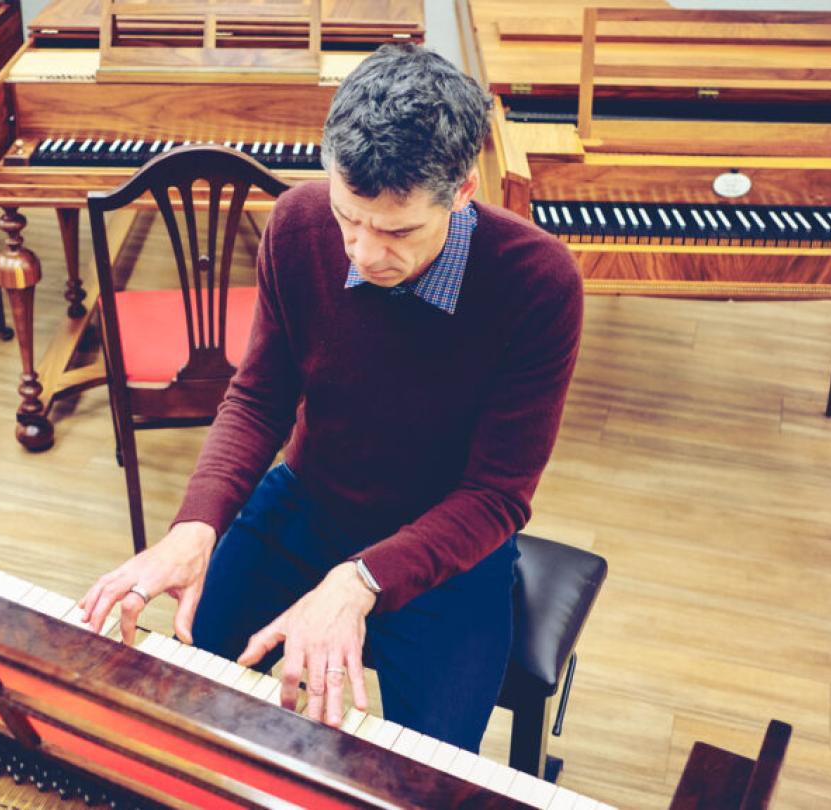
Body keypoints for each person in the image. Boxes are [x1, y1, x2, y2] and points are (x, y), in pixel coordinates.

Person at [78, 43, 582, 752]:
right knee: (195, 699)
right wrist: (196, 527)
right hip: (307, 501)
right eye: (351, 217)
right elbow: (257, 400)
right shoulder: (299, 222)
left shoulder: (538, 282)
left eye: (398, 230)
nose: (363, 252)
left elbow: (497, 496)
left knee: (425, 775)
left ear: (463, 191)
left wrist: (358, 580)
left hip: (450, 543)